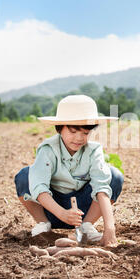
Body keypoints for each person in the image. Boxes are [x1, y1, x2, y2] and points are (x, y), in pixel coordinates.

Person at [14, 95, 123, 247]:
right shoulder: (48, 150)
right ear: (60, 128)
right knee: (25, 175)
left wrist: (110, 229)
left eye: (85, 133)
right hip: (51, 207)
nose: (79, 138)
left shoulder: (93, 150)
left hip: (83, 210)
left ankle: (86, 227)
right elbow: (39, 188)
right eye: (72, 131)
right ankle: (43, 225)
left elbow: (102, 187)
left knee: (115, 176)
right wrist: (62, 214)